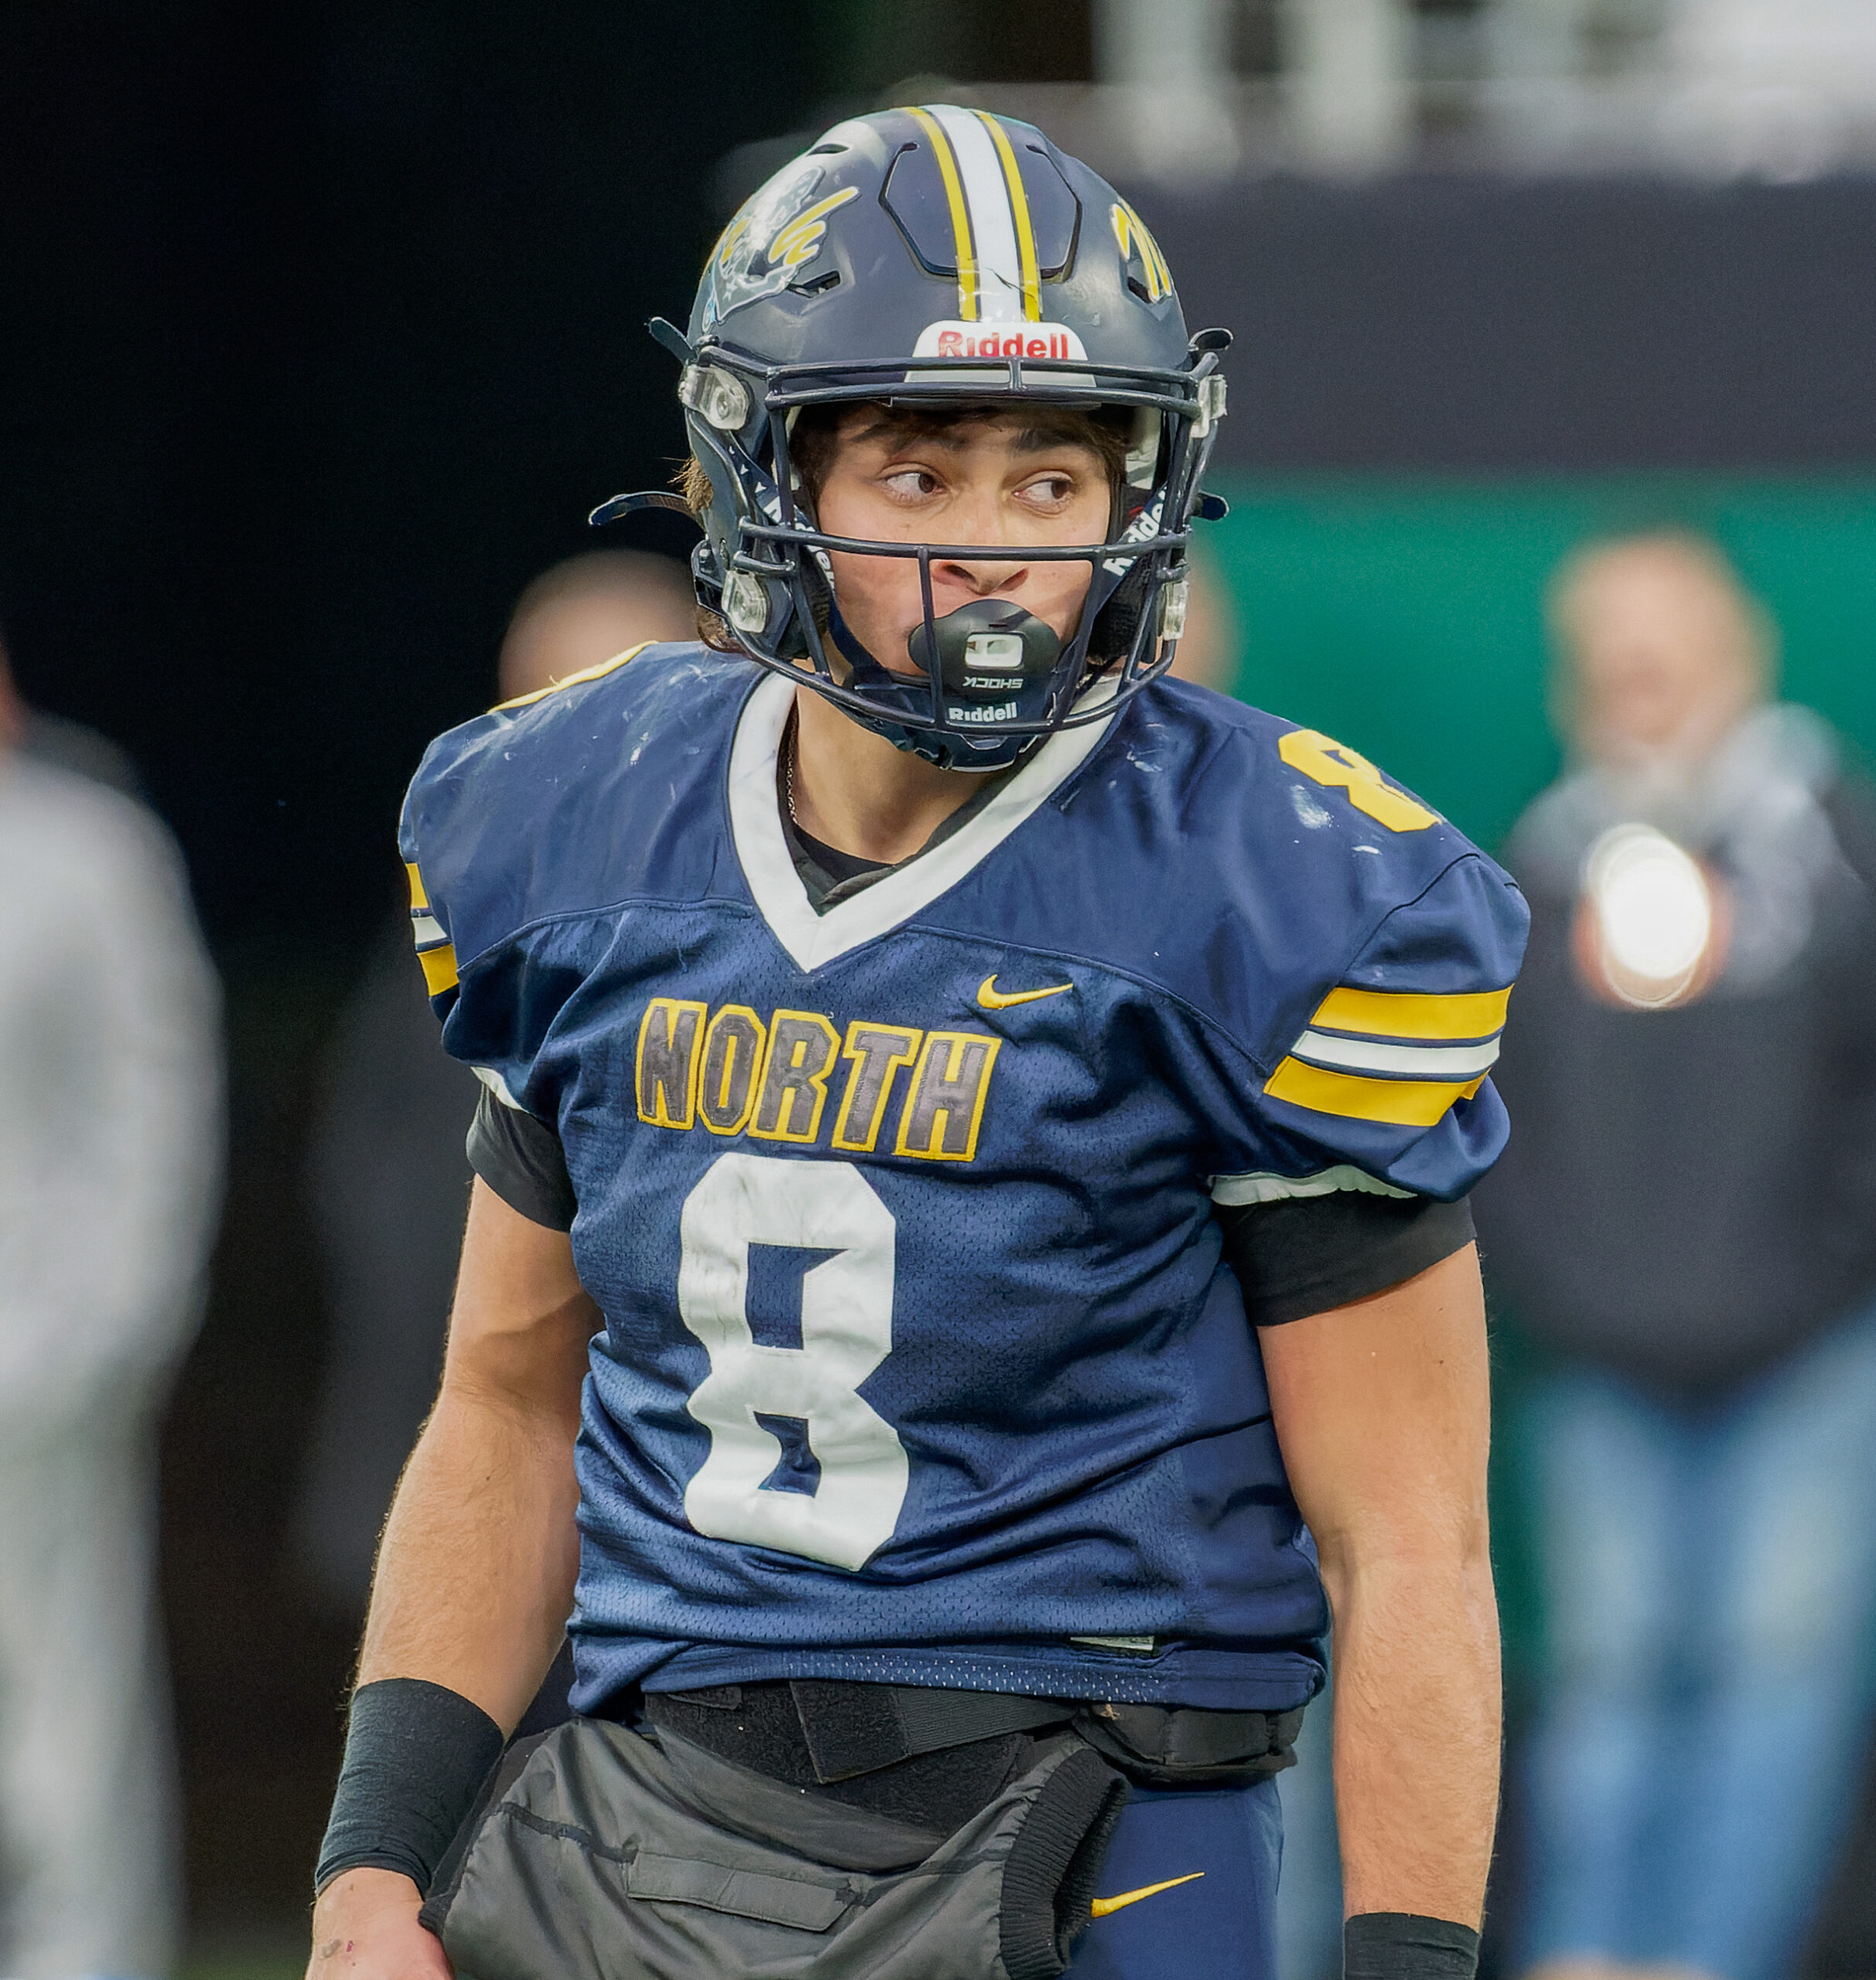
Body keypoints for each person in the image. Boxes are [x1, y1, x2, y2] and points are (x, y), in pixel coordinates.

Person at [308, 108, 1526, 1980]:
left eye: (1052, 479)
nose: (992, 549)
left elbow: (1412, 1541)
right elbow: (505, 1403)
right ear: (757, 467)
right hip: (652, 1812)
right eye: (919, 469)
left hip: (1105, 1813)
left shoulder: (1276, 884)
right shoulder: (568, 816)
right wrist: (374, 1862)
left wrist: (1408, 1957)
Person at [1474, 531, 1876, 1980]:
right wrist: (1568, 1291)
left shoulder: (1833, 844)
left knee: (1778, 1671)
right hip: (1600, 1359)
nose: (1639, 679)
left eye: (1665, 645)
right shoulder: (1539, 861)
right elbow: (1491, 1113)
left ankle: (1713, 1960)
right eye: (1609, 650)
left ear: (1737, 654)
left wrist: (1811, 1280)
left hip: (1809, 1351)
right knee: (1610, 1673)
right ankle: (1588, 1956)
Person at [295, 549, 697, 1618]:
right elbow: (369, 1162)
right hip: (463, 1470)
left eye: (619, 706)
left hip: (682, 1535)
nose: (573, 752)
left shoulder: (770, 948)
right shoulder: (458, 908)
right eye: (539, 710)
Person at [0, 638, 222, 1980]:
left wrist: (101, 1336)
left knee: (61, 1711)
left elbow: (157, 1112)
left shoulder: (85, 849)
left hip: (33, 1362)